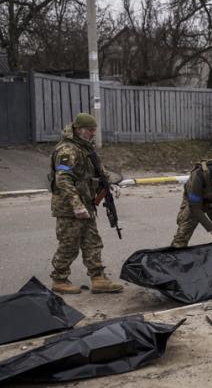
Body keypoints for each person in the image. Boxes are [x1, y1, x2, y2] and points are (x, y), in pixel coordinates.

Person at [48, 113, 123, 294]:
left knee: (92, 242)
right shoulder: (67, 150)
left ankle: (98, 279)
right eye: (90, 130)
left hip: (86, 203)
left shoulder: (85, 148)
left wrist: (111, 184)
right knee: (69, 243)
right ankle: (59, 279)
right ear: (79, 129)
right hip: (69, 207)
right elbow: (63, 179)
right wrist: (76, 205)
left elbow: (97, 172)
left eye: (94, 130)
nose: (93, 133)